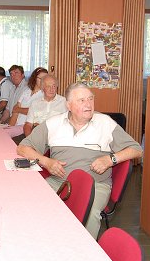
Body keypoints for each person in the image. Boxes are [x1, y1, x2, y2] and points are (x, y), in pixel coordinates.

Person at [17, 83, 142, 238]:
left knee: (88, 212)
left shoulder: (105, 123)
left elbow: (137, 149)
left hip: (95, 185)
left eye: (90, 99)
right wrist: (46, 162)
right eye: (81, 100)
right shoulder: (53, 123)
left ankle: (84, 251)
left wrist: (110, 159)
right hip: (59, 182)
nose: (88, 104)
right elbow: (22, 148)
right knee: (30, 204)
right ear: (69, 105)